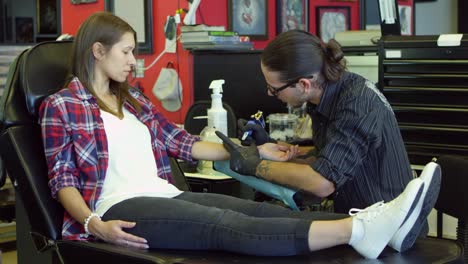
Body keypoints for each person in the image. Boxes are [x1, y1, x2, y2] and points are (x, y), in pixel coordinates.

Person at [39, 12, 438, 259]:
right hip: (117, 207)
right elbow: (63, 181)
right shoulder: (62, 107)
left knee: (264, 212)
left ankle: (375, 223)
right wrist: (94, 224)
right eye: (126, 51)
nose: (133, 60)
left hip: (165, 195)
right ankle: (364, 229)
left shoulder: (135, 99)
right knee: (224, 223)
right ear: (96, 51)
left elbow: (182, 142)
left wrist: (250, 151)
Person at [234, 30, 414, 216]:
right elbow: (326, 159)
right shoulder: (324, 95)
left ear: (304, 85)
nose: (270, 94)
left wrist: (255, 166)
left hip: (388, 229)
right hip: (360, 217)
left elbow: (322, 183)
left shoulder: (356, 105)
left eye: (274, 88)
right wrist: (276, 148)